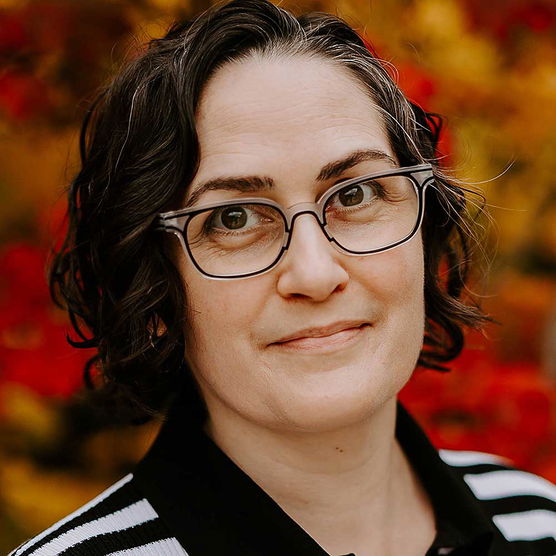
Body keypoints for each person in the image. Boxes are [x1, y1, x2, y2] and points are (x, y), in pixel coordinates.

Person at [9, 1, 556, 555]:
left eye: (356, 194)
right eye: (234, 218)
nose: (315, 273)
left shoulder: (537, 521)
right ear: (155, 285)